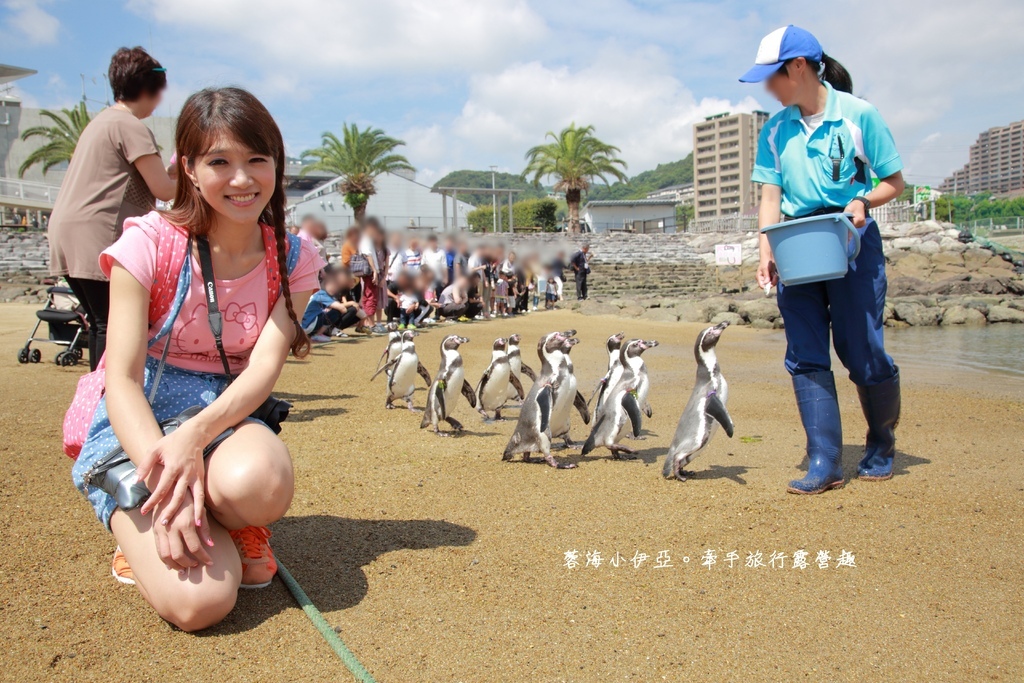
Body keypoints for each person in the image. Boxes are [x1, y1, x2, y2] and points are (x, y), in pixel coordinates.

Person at [70, 87, 324, 631]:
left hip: (223, 413)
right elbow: (121, 378)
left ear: (277, 164)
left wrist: (194, 437)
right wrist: (165, 477)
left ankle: (227, 515)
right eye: (219, 162)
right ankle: (139, 520)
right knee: (201, 604)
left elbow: (262, 370)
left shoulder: (295, 258)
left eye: (258, 160)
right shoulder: (147, 244)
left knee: (263, 483)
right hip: (138, 421)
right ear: (187, 167)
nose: (242, 179)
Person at [743, 25, 905, 494]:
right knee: (805, 352)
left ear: (797, 68)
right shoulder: (775, 130)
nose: (767, 87)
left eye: (770, 77)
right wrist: (765, 251)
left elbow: (894, 181)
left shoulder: (859, 115)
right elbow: (770, 197)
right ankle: (825, 460)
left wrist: (864, 203)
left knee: (863, 348)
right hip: (795, 243)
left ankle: (880, 443)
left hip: (852, 240)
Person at [47, 47, 176, 371]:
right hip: (98, 232)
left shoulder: (102, 121)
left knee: (100, 321)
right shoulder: (130, 126)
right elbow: (164, 189)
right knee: (114, 323)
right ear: (148, 89)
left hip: (68, 232)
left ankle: (99, 396)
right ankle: (109, 401)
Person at [301, 266, 365, 341]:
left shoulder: (321, 294)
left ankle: (320, 333)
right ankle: (318, 334)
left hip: (305, 324)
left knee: (335, 311)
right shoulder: (322, 294)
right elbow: (342, 308)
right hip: (308, 325)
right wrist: (351, 303)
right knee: (335, 312)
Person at [360, 218, 388, 333]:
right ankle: (371, 324)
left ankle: (374, 323)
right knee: (370, 297)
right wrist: (375, 271)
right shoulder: (366, 240)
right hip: (370, 273)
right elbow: (368, 255)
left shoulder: (370, 240)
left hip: (375, 272)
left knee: (374, 298)